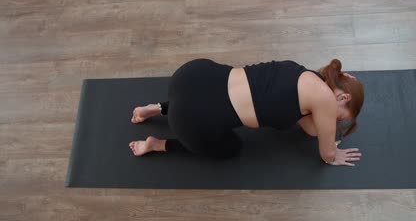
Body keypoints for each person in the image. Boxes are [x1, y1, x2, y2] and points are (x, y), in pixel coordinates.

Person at [129, 58, 364, 166]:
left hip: (192, 75)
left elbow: (311, 128)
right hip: (189, 119)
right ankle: (157, 144)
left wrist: (341, 89)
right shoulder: (324, 99)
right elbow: (326, 154)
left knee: (206, 100)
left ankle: (155, 108)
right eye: (340, 116)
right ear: (342, 97)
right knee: (230, 149)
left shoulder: (306, 76)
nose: (333, 121)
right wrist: (334, 154)